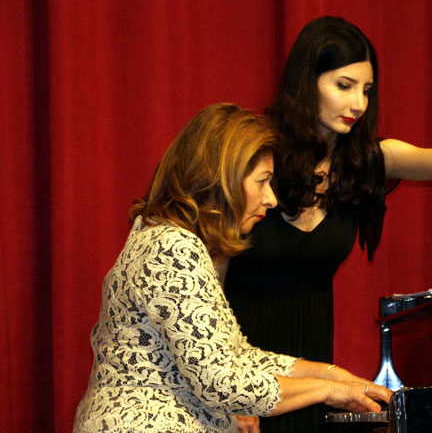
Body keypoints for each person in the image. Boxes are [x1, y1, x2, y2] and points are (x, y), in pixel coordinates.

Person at [224, 16, 432, 433]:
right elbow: (209, 269)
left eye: (367, 90)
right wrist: (225, 387)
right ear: (306, 81)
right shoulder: (255, 153)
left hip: (313, 366)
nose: (358, 104)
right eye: (344, 86)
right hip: (237, 364)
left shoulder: (365, 161)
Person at [73, 103, 393, 433]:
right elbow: (221, 382)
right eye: (262, 182)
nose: (271, 199)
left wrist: (330, 375)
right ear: (223, 178)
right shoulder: (173, 247)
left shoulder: (169, 239)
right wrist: (327, 390)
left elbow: (237, 357)